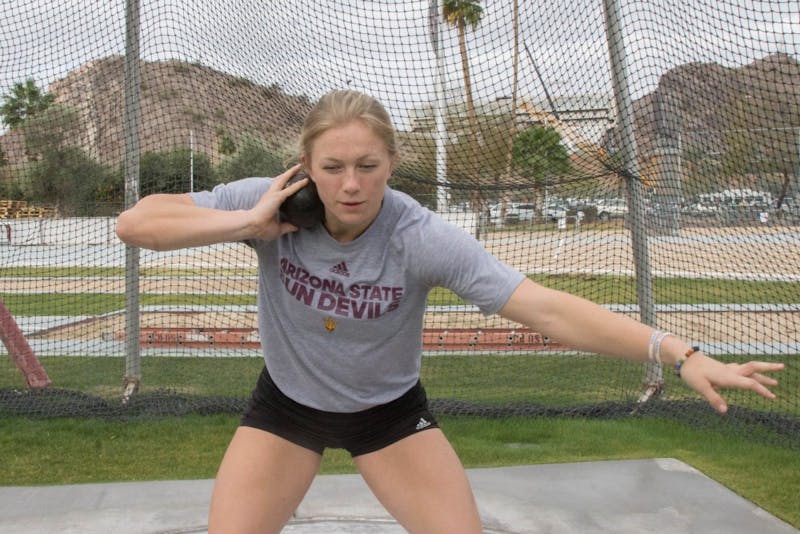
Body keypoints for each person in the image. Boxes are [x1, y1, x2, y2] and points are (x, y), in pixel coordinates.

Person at [115, 89, 784, 534]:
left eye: (369, 166)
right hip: (286, 407)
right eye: (335, 166)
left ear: (392, 164)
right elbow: (134, 223)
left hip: (389, 415)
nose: (351, 184)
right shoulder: (272, 200)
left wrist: (680, 353)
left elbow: (546, 310)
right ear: (307, 167)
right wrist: (246, 221)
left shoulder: (419, 238)